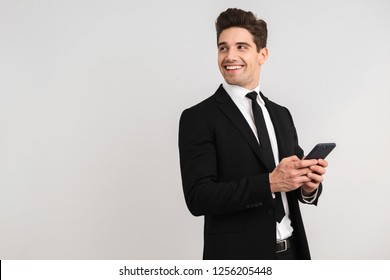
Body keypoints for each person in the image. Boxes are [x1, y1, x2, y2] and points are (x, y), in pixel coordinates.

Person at [178, 8, 328, 260]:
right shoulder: (198, 117)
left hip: (292, 254)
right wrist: (269, 182)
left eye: (241, 47)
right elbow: (198, 198)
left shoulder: (281, 114)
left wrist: (308, 186)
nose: (229, 56)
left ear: (262, 54)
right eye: (223, 48)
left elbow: (291, 180)